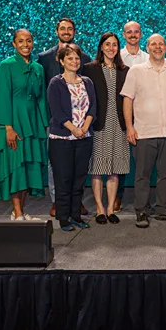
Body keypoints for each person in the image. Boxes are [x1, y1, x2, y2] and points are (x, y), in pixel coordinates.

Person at [121, 34, 166, 228]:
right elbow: (128, 99)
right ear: (148, 47)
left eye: (161, 44)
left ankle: (162, 209)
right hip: (144, 132)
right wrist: (129, 126)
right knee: (142, 175)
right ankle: (141, 211)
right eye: (154, 44)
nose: (158, 47)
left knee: (165, 174)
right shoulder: (136, 71)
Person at [0, 29, 46, 221]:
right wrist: (8, 127)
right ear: (14, 44)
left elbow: (41, 99)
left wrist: (44, 124)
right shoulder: (7, 66)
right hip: (13, 122)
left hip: (32, 123)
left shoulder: (38, 68)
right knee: (16, 167)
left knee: (29, 166)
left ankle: (20, 211)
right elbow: (1, 96)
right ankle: (18, 213)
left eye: (29, 40)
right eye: (20, 41)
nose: (25, 44)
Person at [37, 17, 91, 218]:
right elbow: (42, 91)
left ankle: (75, 203)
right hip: (56, 121)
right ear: (56, 31)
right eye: (62, 28)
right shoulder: (44, 58)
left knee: (78, 164)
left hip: (80, 123)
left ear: (74, 31)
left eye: (70, 28)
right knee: (55, 164)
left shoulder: (83, 57)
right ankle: (56, 201)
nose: (66, 31)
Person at [47, 44, 97, 231]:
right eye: (70, 58)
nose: (74, 61)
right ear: (62, 61)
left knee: (79, 180)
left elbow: (93, 108)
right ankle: (63, 218)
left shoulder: (87, 82)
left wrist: (84, 127)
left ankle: (76, 215)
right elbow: (57, 111)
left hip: (84, 138)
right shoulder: (56, 83)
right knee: (63, 180)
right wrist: (73, 129)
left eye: (76, 58)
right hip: (61, 140)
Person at [83, 33, 130, 225]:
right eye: (107, 44)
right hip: (98, 125)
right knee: (97, 168)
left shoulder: (124, 70)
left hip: (119, 125)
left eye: (115, 45)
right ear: (101, 47)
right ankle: (99, 209)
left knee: (114, 169)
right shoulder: (89, 69)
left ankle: (110, 208)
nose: (111, 48)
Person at [115, 20, 149, 213]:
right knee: (120, 159)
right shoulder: (117, 57)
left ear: (141, 34)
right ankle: (118, 197)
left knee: (143, 161)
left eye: (136, 32)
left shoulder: (148, 57)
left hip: (144, 115)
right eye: (129, 32)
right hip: (120, 114)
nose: (133, 35)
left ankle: (142, 200)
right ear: (124, 34)